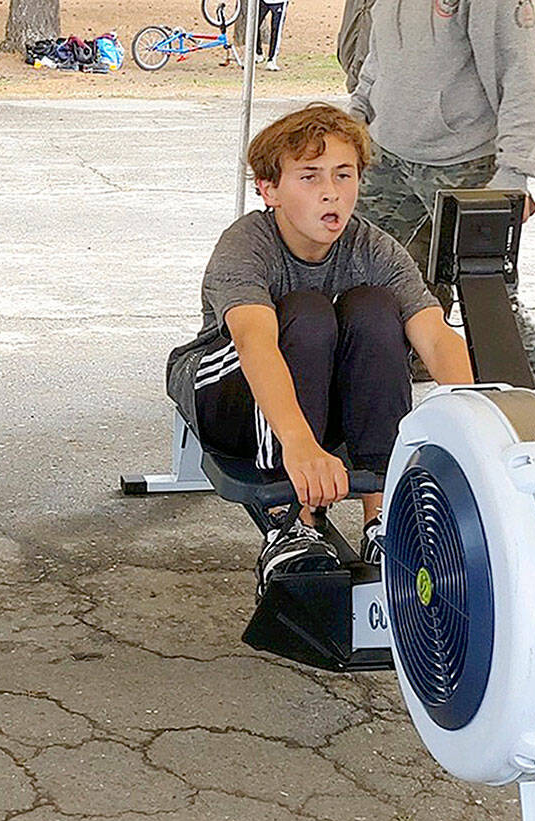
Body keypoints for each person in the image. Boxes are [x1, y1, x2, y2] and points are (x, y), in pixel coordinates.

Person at [166, 104, 472, 596]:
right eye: (309, 177)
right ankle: (290, 522)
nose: (331, 191)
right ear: (269, 191)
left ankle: (383, 515)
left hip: (310, 389)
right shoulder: (247, 244)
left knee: (376, 308)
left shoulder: (374, 247)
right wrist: (302, 446)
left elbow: (434, 335)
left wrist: (480, 424)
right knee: (306, 314)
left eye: (343, 174)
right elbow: (254, 343)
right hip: (225, 391)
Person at [349, 0, 535, 393]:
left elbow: (520, 79)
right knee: (352, 272)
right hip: (385, 157)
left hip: (466, 166)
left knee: (490, 299)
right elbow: (375, 61)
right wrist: (355, 120)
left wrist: (514, 174)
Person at [256, 0, 289, 71]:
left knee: (276, 30)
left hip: (279, 2)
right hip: (263, 2)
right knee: (254, 26)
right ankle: (258, 53)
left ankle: (271, 60)